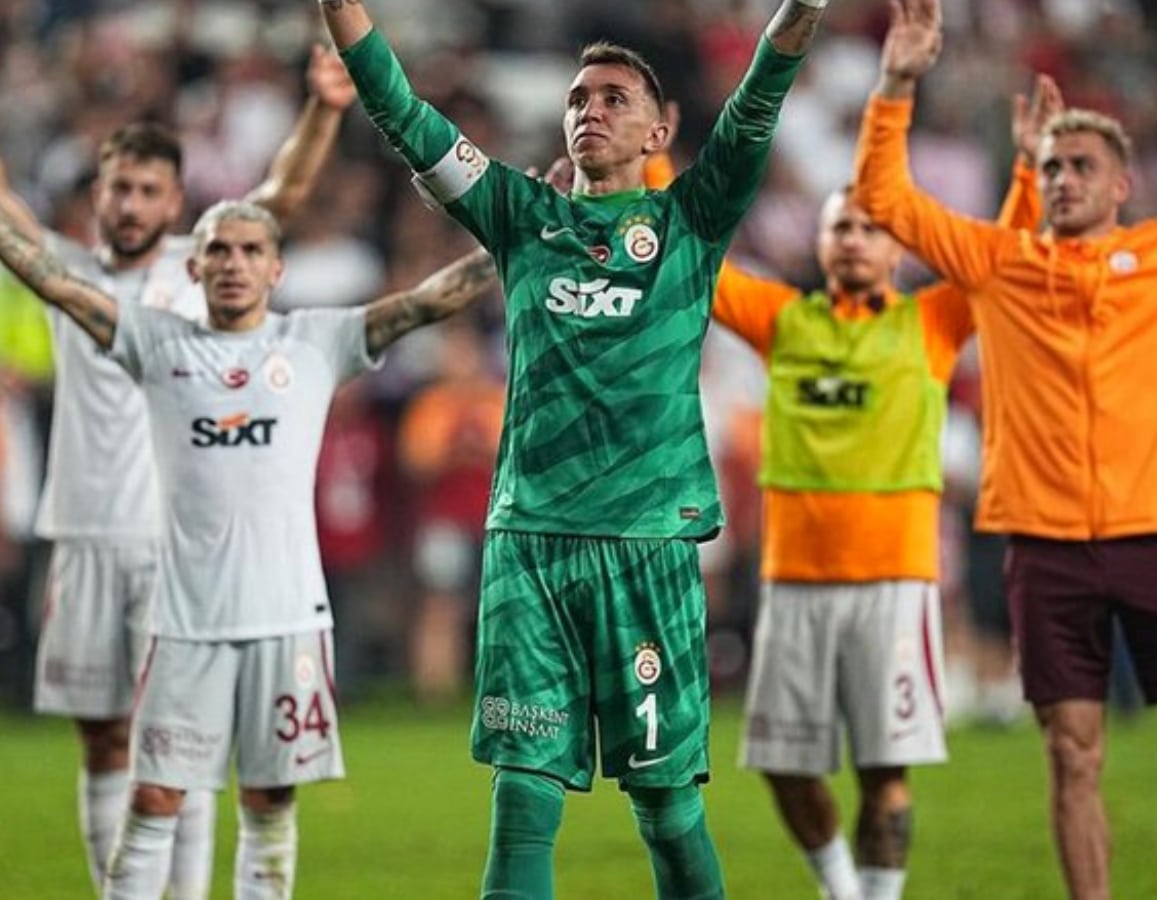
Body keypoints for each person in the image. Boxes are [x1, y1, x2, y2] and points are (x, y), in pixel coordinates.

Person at [319, 1, 837, 897]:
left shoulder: (690, 222)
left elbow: (757, 101)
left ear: (659, 130)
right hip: (531, 544)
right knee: (522, 796)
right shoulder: (522, 218)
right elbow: (407, 119)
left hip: (646, 544)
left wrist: (803, 11)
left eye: (613, 96)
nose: (589, 109)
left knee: (668, 810)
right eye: (576, 98)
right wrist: (342, 12)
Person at [0, 198, 499, 899]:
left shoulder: (315, 341)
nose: (234, 264)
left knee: (270, 805)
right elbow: (55, 281)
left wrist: (514, 232)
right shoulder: (157, 341)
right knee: (154, 801)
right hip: (185, 624)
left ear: (275, 268)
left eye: (249, 251)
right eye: (220, 251)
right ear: (195, 265)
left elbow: (426, 301)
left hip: (290, 619)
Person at [642, 74, 1053, 899]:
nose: (856, 240)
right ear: (822, 245)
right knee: (786, 769)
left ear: (895, 248)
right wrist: (656, 170)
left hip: (895, 583)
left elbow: (1007, 263)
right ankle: (839, 886)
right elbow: (693, 256)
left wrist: (1030, 176)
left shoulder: (929, 324)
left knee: (883, 772)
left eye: (870, 228)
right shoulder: (784, 321)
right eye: (841, 228)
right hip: (794, 581)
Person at [854, 1, 1157, 897]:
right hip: (1044, 546)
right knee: (1071, 755)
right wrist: (897, 80)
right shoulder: (999, 262)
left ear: (1124, 185)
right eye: (1051, 165)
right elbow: (883, 199)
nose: (1064, 178)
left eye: (1083, 165)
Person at [0, 44, 358, 898]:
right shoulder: (66, 271)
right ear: (98, 193)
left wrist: (324, 107)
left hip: (176, 547)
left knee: (179, 752)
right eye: (118, 187)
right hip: (81, 531)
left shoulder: (198, 277)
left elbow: (283, 197)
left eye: (148, 190)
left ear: (174, 202)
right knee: (102, 742)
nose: (130, 203)